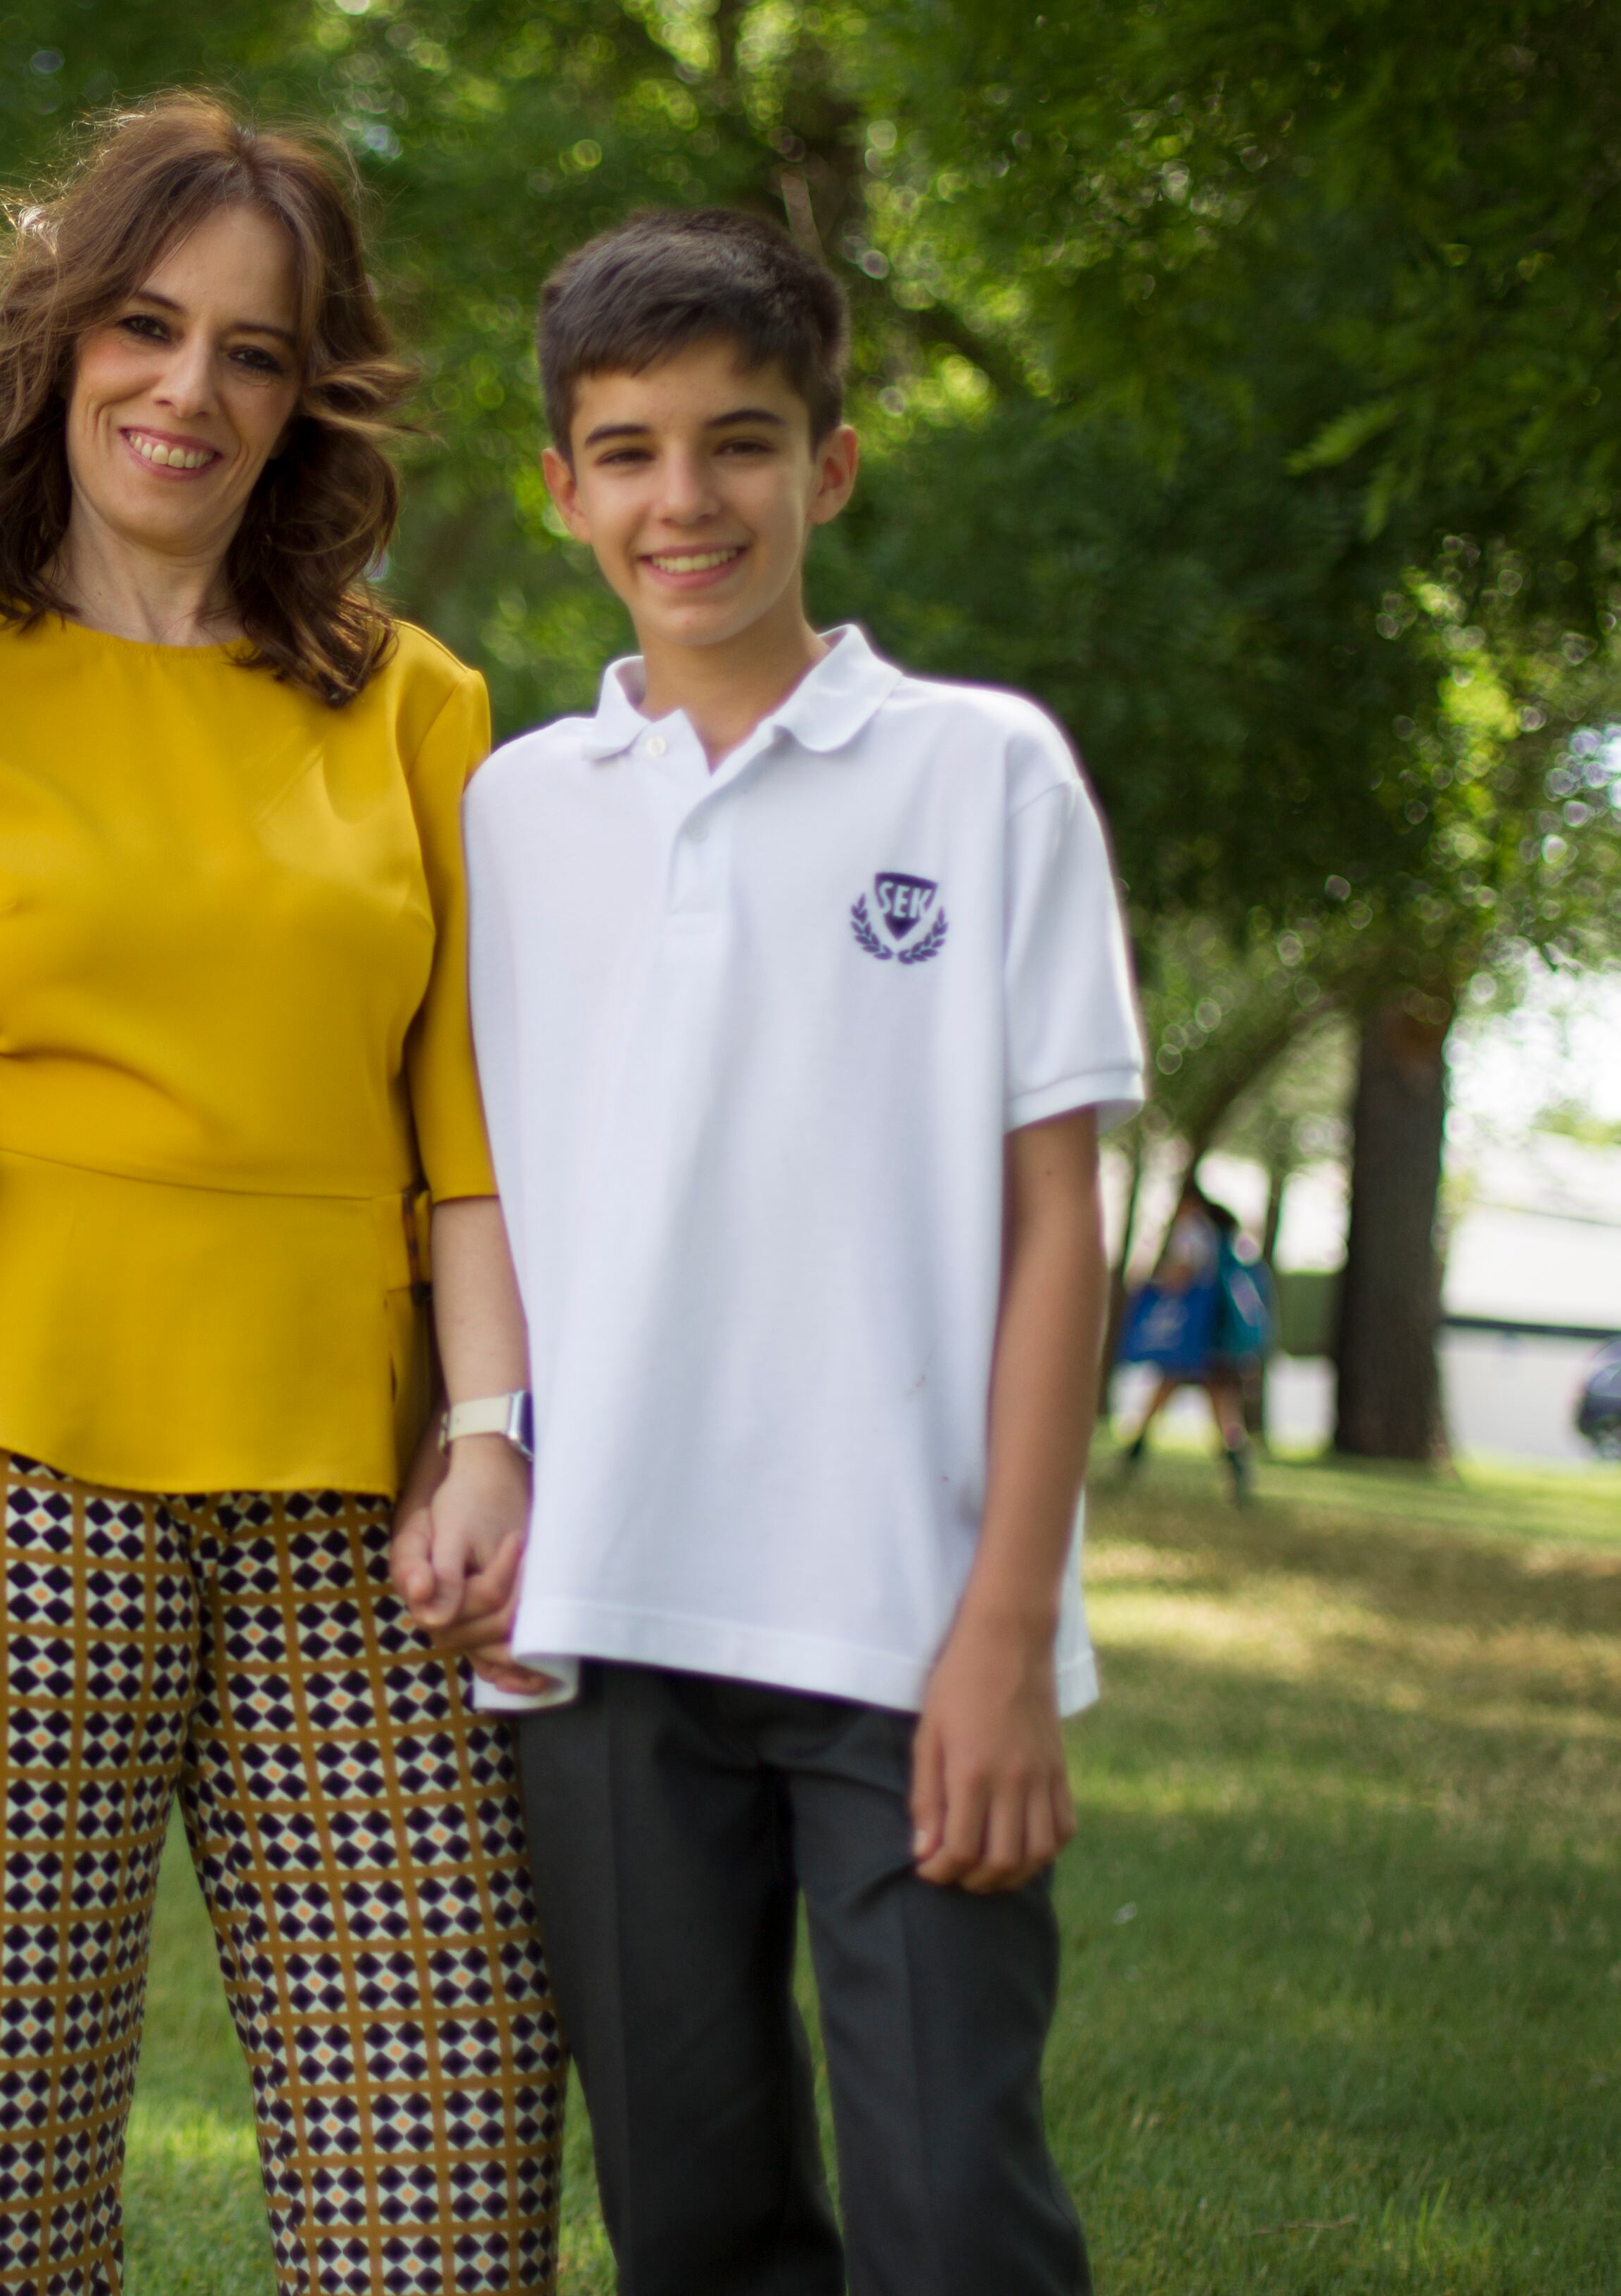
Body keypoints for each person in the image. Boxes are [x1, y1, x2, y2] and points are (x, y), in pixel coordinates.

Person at [0, 98, 564, 2296]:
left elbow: (473, 1125)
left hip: (366, 1518)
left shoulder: (423, 708)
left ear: (310, 399)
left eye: (256, 351)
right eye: (147, 324)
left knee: (446, 2189)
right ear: (64, 337)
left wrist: (493, 1435)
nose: (190, 389)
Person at [415, 208, 1146, 2295]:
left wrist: (1007, 1628)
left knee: (951, 2210)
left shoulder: (984, 769)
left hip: (909, 1620)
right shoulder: (512, 809)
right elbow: (479, 1179)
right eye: (629, 450)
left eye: (740, 443)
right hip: (609, 1616)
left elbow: (1050, 1222)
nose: (686, 498)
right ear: (561, 487)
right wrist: (480, 1438)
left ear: (829, 463)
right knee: (694, 2214)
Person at [1116, 1190, 1271, 1501]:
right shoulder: (1231, 1239)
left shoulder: (1193, 1231)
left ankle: (1131, 1458)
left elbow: (1181, 1273)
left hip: (1194, 1335)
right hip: (1222, 1338)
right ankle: (1238, 1472)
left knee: (1163, 1392)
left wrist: (1151, 1284)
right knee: (1223, 1407)